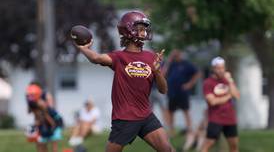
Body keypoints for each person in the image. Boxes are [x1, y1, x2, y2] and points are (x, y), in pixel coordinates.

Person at [73, 11, 174, 152]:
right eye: (140, 28)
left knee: (167, 149)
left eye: (145, 28)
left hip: (146, 115)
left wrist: (157, 71)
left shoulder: (151, 57)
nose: (144, 32)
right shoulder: (119, 57)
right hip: (125, 118)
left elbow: (163, 90)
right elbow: (96, 58)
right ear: (128, 29)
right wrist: (84, 49)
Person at [201, 57, 240, 152]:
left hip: (230, 118)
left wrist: (230, 80)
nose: (221, 70)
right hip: (216, 118)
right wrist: (228, 96)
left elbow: (237, 96)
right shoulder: (208, 83)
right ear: (213, 68)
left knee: (234, 146)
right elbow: (212, 101)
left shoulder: (228, 81)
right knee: (208, 145)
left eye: (222, 68)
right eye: (218, 68)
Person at [164, 49, 200, 150]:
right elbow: (163, 74)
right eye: (174, 55)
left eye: (177, 54)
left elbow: (197, 73)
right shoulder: (171, 64)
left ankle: (189, 129)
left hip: (183, 93)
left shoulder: (186, 64)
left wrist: (190, 84)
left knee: (186, 111)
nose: (176, 56)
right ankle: (171, 130)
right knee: (170, 112)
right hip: (172, 92)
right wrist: (169, 60)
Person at [26, 84, 63, 152]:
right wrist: (36, 125)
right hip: (46, 123)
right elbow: (33, 114)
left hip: (55, 122)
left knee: (54, 145)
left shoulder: (42, 103)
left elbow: (50, 120)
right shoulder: (32, 103)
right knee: (41, 144)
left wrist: (52, 126)